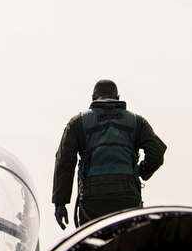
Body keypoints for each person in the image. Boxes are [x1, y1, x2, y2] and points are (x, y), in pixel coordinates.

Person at [52, 79, 167, 229]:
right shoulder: (137, 122)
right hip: (127, 197)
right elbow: (157, 152)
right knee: (128, 247)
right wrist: (140, 171)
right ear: (118, 97)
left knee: (92, 248)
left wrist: (60, 203)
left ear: (93, 98)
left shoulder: (77, 123)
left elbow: (64, 162)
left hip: (93, 200)